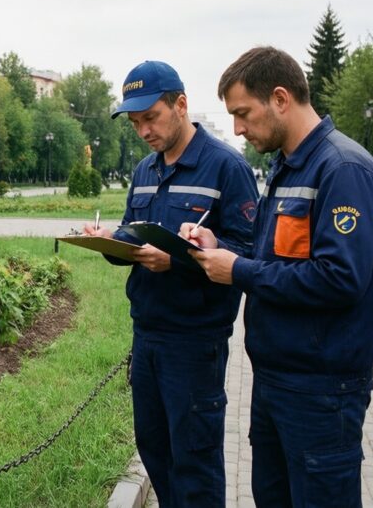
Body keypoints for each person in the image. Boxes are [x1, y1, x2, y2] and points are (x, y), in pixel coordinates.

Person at [184, 46, 373, 507]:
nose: (238, 129)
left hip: (321, 391)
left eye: (243, 114)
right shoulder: (288, 166)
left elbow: (339, 279)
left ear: (280, 98)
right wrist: (221, 247)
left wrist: (239, 270)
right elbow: (276, 257)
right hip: (277, 381)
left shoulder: (343, 169)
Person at [83, 60, 258, 507]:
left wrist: (177, 262)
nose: (143, 131)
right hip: (147, 335)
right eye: (135, 123)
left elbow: (248, 252)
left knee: (194, 462)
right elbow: (132, 237)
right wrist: (108, 241)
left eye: (151, 118)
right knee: (155, 449)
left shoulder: (226, 167)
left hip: (195, 342)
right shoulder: (145, 171)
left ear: (181, 105)